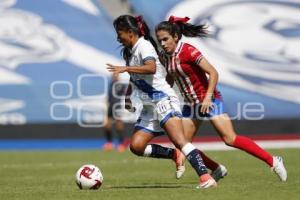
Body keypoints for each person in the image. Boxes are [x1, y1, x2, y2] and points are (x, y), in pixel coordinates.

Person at [155, 15, 287, 182]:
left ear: (175, 36)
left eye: (165, 39)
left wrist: (208, 98)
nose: (163, 44)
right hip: (191, 104)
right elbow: (172, 77)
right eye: (160, 41)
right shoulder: (166, 56)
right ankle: (216, 169)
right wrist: (164, 92)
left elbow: (213, 73)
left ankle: (274, 161)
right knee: (182, 144)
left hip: (208, 100)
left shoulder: (188, 50)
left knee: (230, 139)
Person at [107, 14, 218, 188]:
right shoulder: (130, 51)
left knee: (180, 141)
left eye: (119, 33)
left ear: (130, 32)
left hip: (163, 100)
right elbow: (134, 77)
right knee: (136, 146)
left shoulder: (144, 46)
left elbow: (150, 68)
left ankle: (206, 177)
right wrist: (128, 96)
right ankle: (173, 155)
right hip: (149, 107)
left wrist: (127, 67)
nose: (117, 37)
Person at [103, 72, 126, 152]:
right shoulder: (111, 84)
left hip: (118, 107)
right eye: (113, 75)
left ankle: (121, 144)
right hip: (110, 107)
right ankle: (109, 143)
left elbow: (126, 94)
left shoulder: (121, 85)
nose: (114, 77)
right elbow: (109, 96)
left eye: (116, 75)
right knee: (107, 125)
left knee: (119, 125)